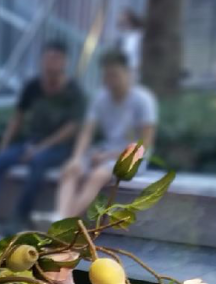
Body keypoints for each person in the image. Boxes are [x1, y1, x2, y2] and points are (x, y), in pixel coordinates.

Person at [0, 40, 86, 230]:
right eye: (48, 58)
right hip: (32, 143)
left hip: (60, 148)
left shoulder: (74, 91)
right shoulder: (33, 86)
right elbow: (17, 118)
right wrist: (4, 145)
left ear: (65, 62)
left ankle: (19, 218)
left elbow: (72, 128)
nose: (51, 62)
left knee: (38, 162)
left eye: (56, 58)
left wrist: (40, 148)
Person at [56, 50, 157, 218]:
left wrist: (107, 156)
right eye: (107, 75)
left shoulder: (143, 100)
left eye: (114, 75)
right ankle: (60, 217)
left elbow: (145, 144)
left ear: (128, 73)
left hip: (134, 157)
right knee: (71, 169)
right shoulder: (100, 98)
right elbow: (86, 132)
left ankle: (63, 223)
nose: (110, 80)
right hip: (107, 151)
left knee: (98, 175)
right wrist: (77, 158)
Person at [116, 8, 145, 76]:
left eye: (122, 22)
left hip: (135, 71)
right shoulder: (124, 37)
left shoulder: (138, 36)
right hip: (126, 71)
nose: (120, 25)